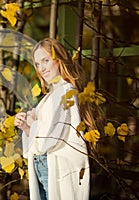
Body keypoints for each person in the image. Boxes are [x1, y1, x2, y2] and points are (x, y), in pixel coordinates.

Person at [14, 38, 93, 200]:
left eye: (46, 60)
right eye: (37, 64)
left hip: (56, 168)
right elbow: (39, 139)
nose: (41, 68)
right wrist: (25, 125)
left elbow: (48, 139)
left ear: (58, 60)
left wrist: (32, 125)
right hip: (44, 164)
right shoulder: (48, 97)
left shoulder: (67, 92)